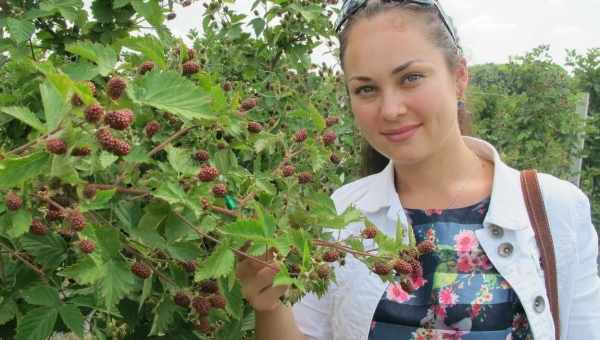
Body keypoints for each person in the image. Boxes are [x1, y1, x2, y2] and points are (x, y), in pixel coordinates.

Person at [235, 1, 600, 339]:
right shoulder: (339, 214)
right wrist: (271, 305)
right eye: (366, 89)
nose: (391, 109)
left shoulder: (556, 208)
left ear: (459, 75)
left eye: (410, 78)